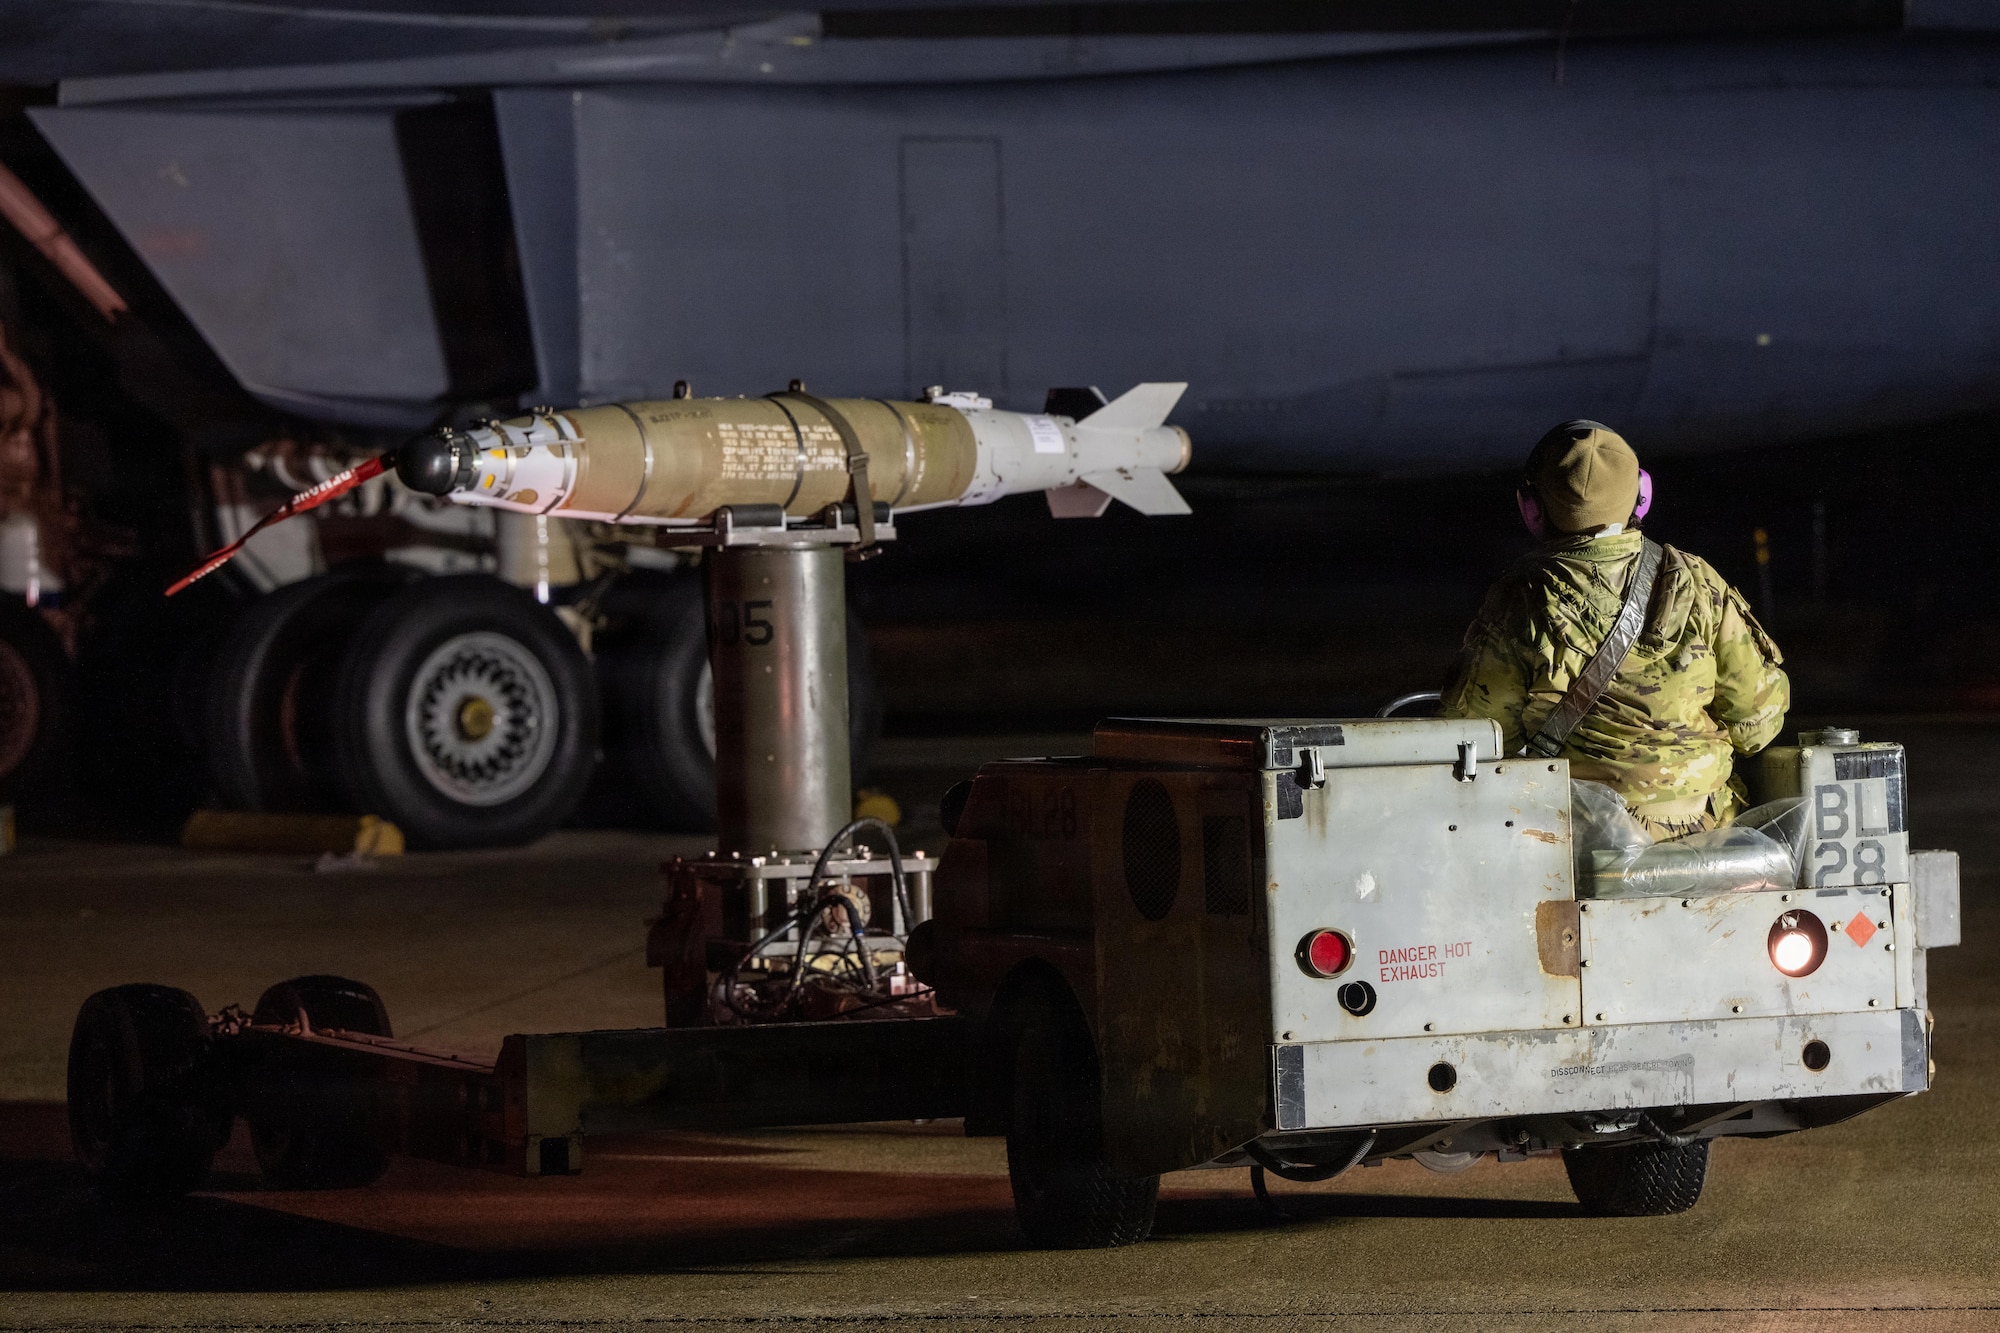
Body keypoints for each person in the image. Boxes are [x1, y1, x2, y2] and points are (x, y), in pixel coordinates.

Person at [1438, 420, 1789, 840]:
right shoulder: (1698, 580)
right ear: (1642, 497)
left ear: (1532, 509)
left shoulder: (1522, 599)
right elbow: (1756, 726)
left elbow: (1474, 735)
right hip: (1705, 834)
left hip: (1580, 843)